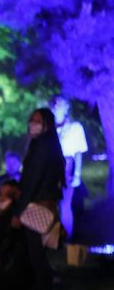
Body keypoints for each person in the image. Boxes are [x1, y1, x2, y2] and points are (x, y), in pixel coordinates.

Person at [15, 108, 64, 290]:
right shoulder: (50, 144)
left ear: (47, 124)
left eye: (37, 120)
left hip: (36, 207)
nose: (32, 123)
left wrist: (20, 209)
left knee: (37, 257)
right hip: (46, 204)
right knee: (39, 256)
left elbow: (33, 180)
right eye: (31, 119)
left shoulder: (41, 146)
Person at [50, 96, 86, 248]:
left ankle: (66, 238)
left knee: (65, 203)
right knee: (49, 203)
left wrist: (77, 174)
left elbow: (78, 151)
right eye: (54, 104)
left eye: (60, 104)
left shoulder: (75, 127)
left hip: (67, 167)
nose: (57, 106)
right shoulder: (48, 128)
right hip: (49, 167)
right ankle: (50, 238)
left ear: (66, 107)